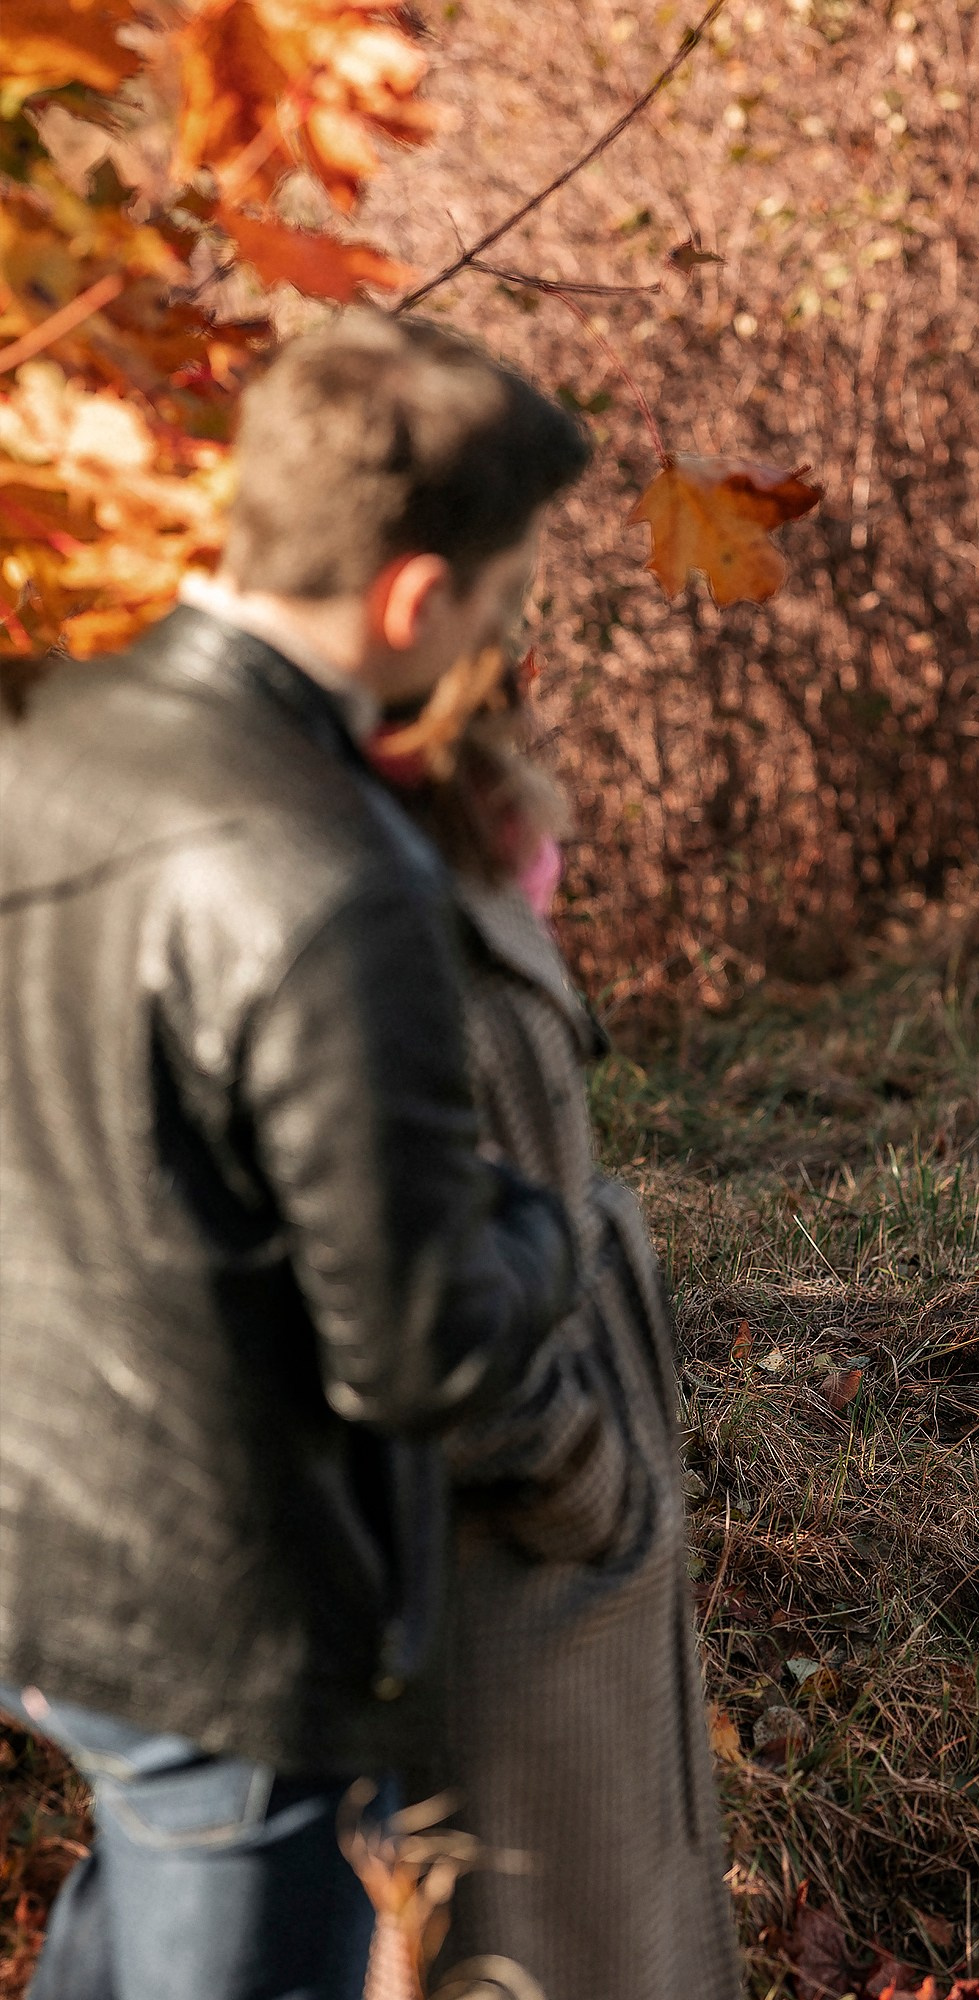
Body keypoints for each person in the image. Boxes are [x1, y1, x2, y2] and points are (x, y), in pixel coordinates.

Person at [0, 313, 591, 2000]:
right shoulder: (331, 875)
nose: (494, 634)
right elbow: (426, 1352)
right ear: (415, 601)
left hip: (39, 1538)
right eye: (496, 598)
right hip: (231, 1613)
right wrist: (545, 1229)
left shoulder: (40, 730)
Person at [386, 717, 742, 2000]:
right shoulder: (356, 882)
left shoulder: (434, 792)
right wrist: (587, 1475)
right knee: (527, 1940)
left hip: (571, 1547)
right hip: (505, 1562)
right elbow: (405, 1298)